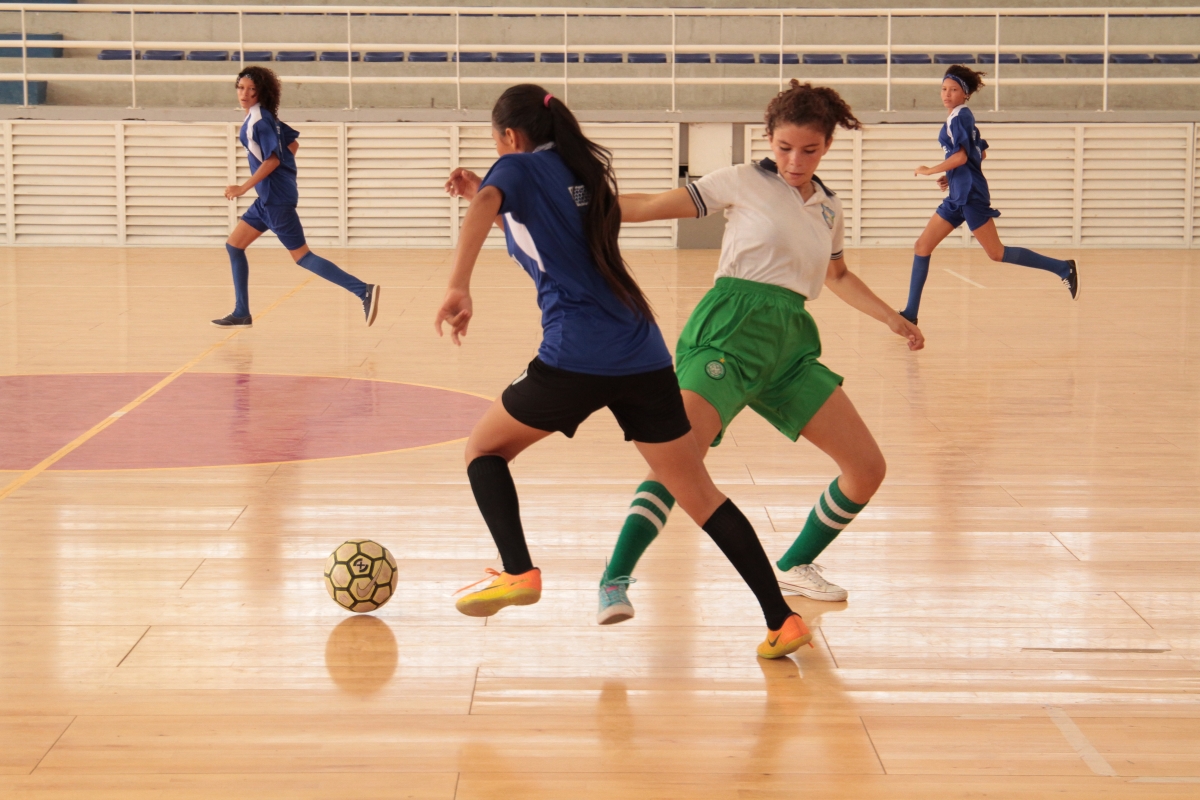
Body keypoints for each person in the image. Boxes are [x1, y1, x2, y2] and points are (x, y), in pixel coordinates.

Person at [437, 83, 809, 659]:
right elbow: (541, 228)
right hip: (643, 354)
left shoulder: (517, 169)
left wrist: (459, 280)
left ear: (509, 138)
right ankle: (783, 620)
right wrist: (480, 192)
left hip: (574, 357)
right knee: (699, 493)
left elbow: (496, 202)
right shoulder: (576, 171)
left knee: (483, 451)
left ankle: (518, 573)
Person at [595, 81, 924, 626]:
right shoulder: (741, 181)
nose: (795, 160)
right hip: (729, 328)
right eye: (785, 147)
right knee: (680, 457)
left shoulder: (828, 207)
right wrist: (563, 207)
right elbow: (651, 206)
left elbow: (837, 274)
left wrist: (892, 317)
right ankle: (615, 578)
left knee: (866, 468)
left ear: (828, 146)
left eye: (810, 149)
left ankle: (796, 564)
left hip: (790, 342)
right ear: (768, 138)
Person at [899, 64, 1079, 324]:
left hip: (970, 195)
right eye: (943, 89)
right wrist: (949, 176)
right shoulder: (962, 116)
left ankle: (1064, 268)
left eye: (953, 89)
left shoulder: (960, 117)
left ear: (966, 93)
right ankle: (910, 314)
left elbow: (961, 156)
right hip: (958, 194)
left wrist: (930, 170)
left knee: (996, 253)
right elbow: (978, 153)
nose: (946, 94)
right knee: (922, 246)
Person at [213, 66, 380, 328]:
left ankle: (363, 290)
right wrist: (281, 178)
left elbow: (274, 158)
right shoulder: (265, 118)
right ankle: (241, 311)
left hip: (275, 201)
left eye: (251, 90)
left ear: (261, 93)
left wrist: (243, 187)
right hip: (267, 200)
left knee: (302, 257)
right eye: (241, 87)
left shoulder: (258, 121)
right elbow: (292, 145)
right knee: (234, 245)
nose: (244, 94)